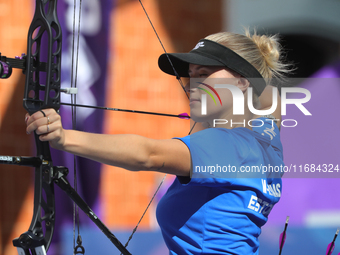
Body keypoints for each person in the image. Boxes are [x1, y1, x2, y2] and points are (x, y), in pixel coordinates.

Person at [25, 29, 290, 254]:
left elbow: (147, 154)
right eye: (190, 74)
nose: (190, 84)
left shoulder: (224, 145)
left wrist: (63, 137)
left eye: (204, 73)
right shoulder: (267, 139)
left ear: (242, 81)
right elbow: (269, 99)